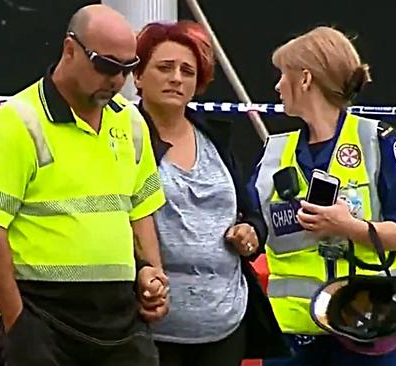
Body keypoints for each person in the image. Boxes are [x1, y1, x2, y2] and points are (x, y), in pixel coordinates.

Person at [0, 5, 169, 366]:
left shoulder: (131, 122)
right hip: (41, 313)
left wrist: (151, 272)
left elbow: (141, 209)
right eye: (106, 65)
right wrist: (16, 320)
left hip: (120, 318)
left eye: (128, 69)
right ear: (70, 50)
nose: (117, 80)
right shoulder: (16, 121)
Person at [247, 26, 396, 366]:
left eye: (283, 75)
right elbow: (251, 223)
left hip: (366, 324)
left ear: (305, 79)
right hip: (291, 332)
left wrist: (348, 226)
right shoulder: (274, 152)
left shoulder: (378, 142)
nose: (277, 86)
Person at [132, 20, 288, 366]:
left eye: (187, 71)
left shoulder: (215, 139)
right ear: (138, 77)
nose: (177, 78)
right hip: (150, 329)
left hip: (225, 326)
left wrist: (251, 232)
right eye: (165, 67)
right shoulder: (123, 138)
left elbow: (252, 214)